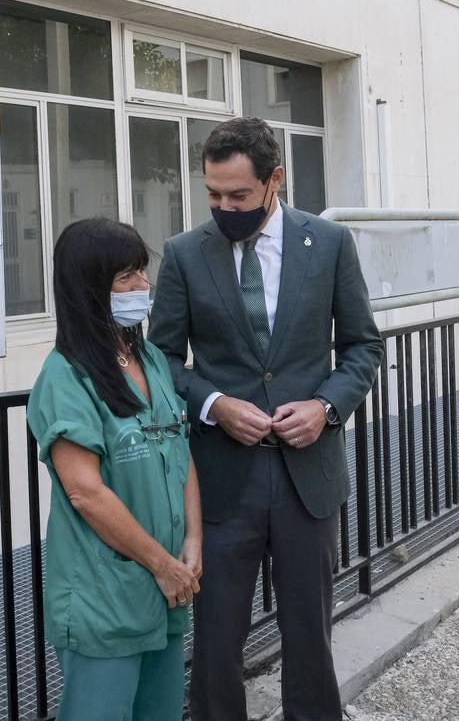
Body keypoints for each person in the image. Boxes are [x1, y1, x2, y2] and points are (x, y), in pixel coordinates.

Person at [149, 118, 383, 721]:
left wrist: (327, 407)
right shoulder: (183, 254)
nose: (225, 207)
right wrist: (213, 405)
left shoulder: (329, 244)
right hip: (222, 481)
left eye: (239, 195)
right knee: (217, 638)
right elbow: (164, 360)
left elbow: (363, 346)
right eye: (214, 196)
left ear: (274, 180)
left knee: (310, 636)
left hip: (309, 477)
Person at [26, 217, 203, 720]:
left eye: (141, 273)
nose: (141, 287)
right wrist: (162, 564)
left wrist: (193, 541)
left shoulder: (146, 355)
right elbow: (84, 491)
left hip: (164, 587)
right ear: (88, 288)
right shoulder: (65, 376)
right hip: (106, 593)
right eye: (125, 277)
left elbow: (179, 446)